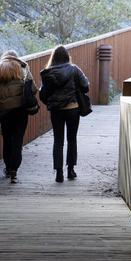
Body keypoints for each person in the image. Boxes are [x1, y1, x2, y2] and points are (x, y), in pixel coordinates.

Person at [39, 45, 89, 183]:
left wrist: (52, 102)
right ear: (67, 56)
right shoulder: (74, 69)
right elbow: (85, 87)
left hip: (56, 110)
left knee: (58, 141)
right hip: (73, 108)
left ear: (53, 57)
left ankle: (59, 173)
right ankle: (71, 170)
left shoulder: (48, 73)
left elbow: (42, 94)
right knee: (72, 139)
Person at [0, 50, 38, 184]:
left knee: (7, 139)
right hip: (20, 109)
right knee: (18, 140)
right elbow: (32, 89)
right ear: (16, 57)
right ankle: (14, 171)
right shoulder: (23, 67)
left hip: (4, 110)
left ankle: (8, 167)